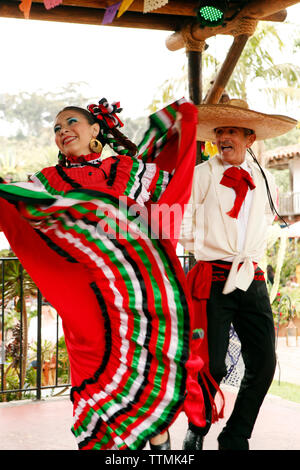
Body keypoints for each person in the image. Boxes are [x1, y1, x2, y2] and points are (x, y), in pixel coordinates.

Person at [0, 97, 199, 450]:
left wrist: (185, 122)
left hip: (134, 289)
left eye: (71, 122)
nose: (63, 131)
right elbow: (18, 207)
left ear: (95, 129)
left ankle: (160, 442)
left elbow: (167, 197)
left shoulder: (128, 170)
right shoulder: (48, 180)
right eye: (57, 128)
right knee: (94, 372)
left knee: (146, 373)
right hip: (83, 293)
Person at [180, 99, 297, 450]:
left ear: (249, 138)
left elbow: (261, 223)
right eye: (220, 132)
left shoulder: (262, 177)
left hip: (252, 277)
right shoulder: (203, 173)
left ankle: (235, 436)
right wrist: (203, 242)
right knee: (210, 366)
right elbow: (182, 218)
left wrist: (252, 257)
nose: (224, 138)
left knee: (263, 364)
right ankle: (197, 429)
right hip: (212, 278)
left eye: (232, 131)